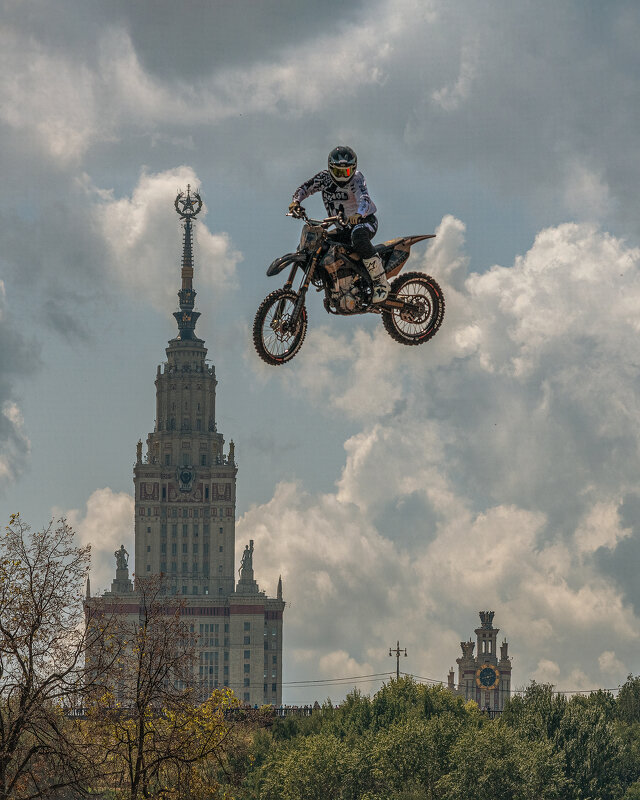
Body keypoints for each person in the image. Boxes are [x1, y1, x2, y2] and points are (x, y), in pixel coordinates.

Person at [289, 145, 389, 303]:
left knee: (358, 237)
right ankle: (337, 284)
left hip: (365, 222)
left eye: (346, 171)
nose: (342, 176)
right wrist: (295, 202)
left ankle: (380, 283)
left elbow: (364, 198)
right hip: (344, 227)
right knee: (323, 243)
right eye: (338, 172)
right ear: (330, 169)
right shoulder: (323, 178)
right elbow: (305, 188)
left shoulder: (356, 178)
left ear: (353, 169)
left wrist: (359, 214)